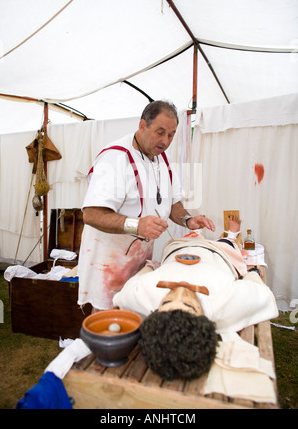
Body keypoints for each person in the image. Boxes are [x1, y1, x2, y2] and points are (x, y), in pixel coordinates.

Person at [77, 100, 215, 311]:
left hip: (139, 261)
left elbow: (173, 202)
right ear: (142, 125)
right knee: (108, 323)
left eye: (171, 135)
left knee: (134, 313)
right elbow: (92, 215)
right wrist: (137, 225)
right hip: (109, 264)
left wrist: (188, 219)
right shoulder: (114, 158)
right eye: (160, 132)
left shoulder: (162, 159)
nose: (165, 141)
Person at [113, 216, 278, 380]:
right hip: (217, 254)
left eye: (167, 301)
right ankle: (230, 236)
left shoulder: (141, 298)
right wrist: (252, 272)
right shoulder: (224, 305)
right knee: (226, 245)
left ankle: (196, 233)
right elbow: (261, 293)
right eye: (189, 305)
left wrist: (151, 267)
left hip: (179, 248)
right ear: (205, 319)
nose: (180, 291)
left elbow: (129, 288)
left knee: (187, 239)